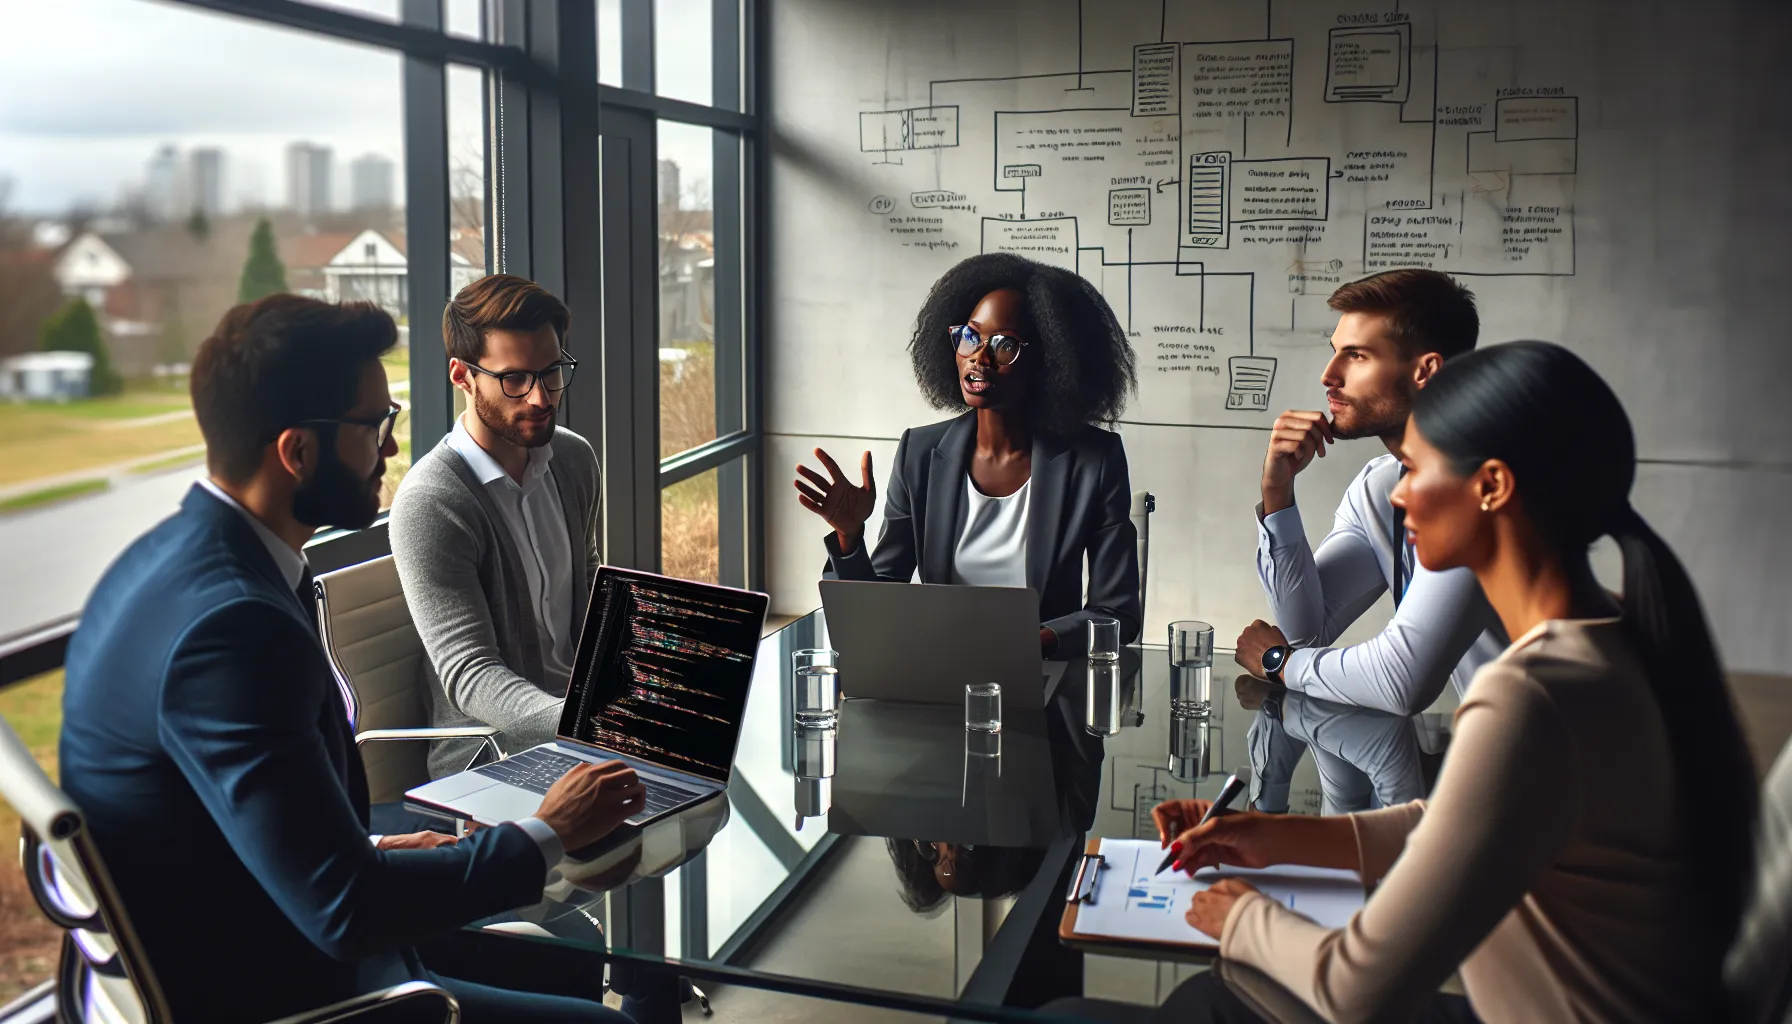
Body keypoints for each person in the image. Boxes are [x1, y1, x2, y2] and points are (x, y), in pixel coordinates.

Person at [60, 295, 647, 1022]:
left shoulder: (184, 562)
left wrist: (372, 844)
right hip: (279, 985)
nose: (393, 450)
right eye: (377, 427)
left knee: (573, 960)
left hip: (266, 914)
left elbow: (235, 828)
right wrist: (549, 830)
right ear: (297, 451)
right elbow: (345, 913)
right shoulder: (236, 629)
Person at [1154, 341, 1757, 1023]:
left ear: (1493, 486)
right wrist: (1269, 836)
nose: (1400, 492)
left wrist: (1239, 916)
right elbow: (1455, 828)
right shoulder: (1609, 640)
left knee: (1205, 999)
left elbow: (1351, 991)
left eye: (1413, 468)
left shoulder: (1531, 697)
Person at [794, 252, 1141, 653]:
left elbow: (1117, 613)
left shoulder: (1093, 461)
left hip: (1038, 678)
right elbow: (881, 601)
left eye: (1004, 344)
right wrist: (850, 537)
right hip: (936, 671)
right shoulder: (920, 453)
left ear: (1050, 360)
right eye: (971, 336)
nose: (979, 356)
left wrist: (1033, 642)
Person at [1236, 269, 1508, 716]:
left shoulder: (1480, 490)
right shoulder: (1382, 486)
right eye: (1334, 353)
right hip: (1494, 746)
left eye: (1356, 356)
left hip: (1565, 760)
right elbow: (1307, 630)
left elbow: (1401, 682)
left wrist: (1279, 663)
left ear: (1426, 371)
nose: (1329, 376)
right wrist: (1277, 492)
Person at [390, 274, 597, 781]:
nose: (542, 398)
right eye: (514, 379)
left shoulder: (573, 459)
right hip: (492, 761)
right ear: (462, 376)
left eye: (551, 372)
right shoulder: (433, 501)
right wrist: (592, 726)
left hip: (583, 736)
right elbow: (471, 677)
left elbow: (592, 599)